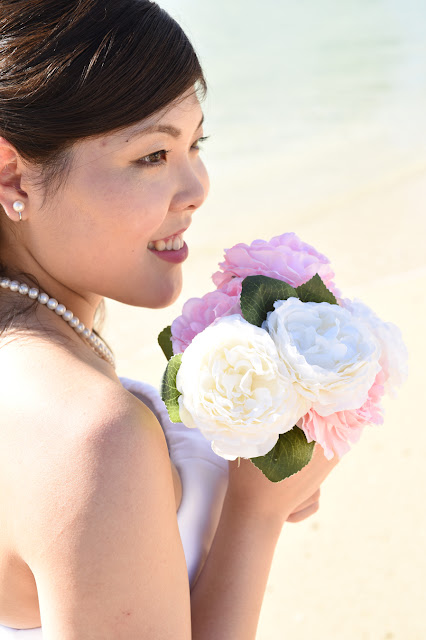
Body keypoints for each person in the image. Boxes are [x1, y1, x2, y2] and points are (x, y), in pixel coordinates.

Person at [0, 1, 337, 638]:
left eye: (195, 143)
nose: (198, 186)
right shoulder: (92, 434)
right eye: (152, 155)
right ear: (13, 173)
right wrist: (256, 512)